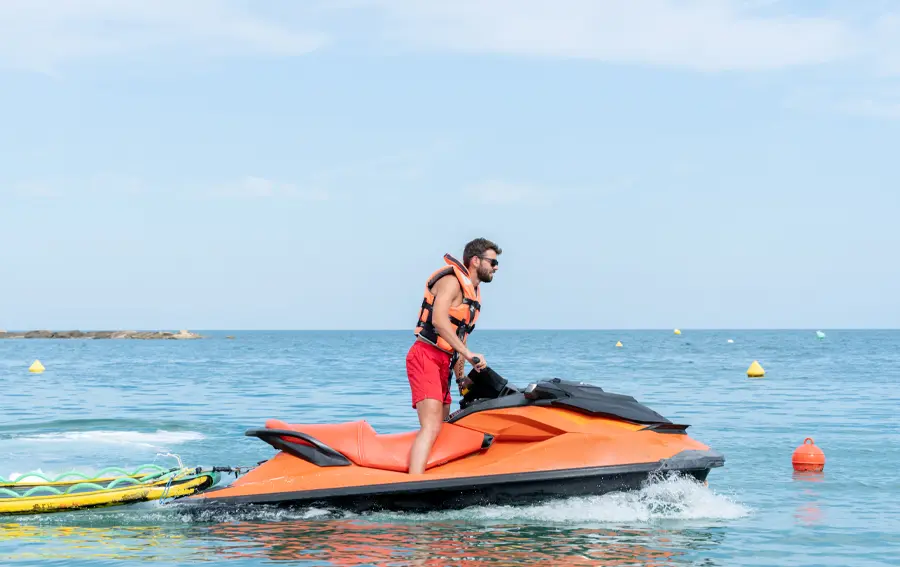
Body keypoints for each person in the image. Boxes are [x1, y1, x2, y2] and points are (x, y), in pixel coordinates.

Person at [405, 237, 501, 474]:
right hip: (425, 356)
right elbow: (438, 321)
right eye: (493, 262)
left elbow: (459, 338)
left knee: (446, 426)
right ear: (476, 260)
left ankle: (436, 476)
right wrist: (468, 354)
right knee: (431, 427)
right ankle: (412, 484)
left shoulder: (473, 295)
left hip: (444, 363)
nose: (496, 267)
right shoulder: (451, 282)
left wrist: (461, 379)